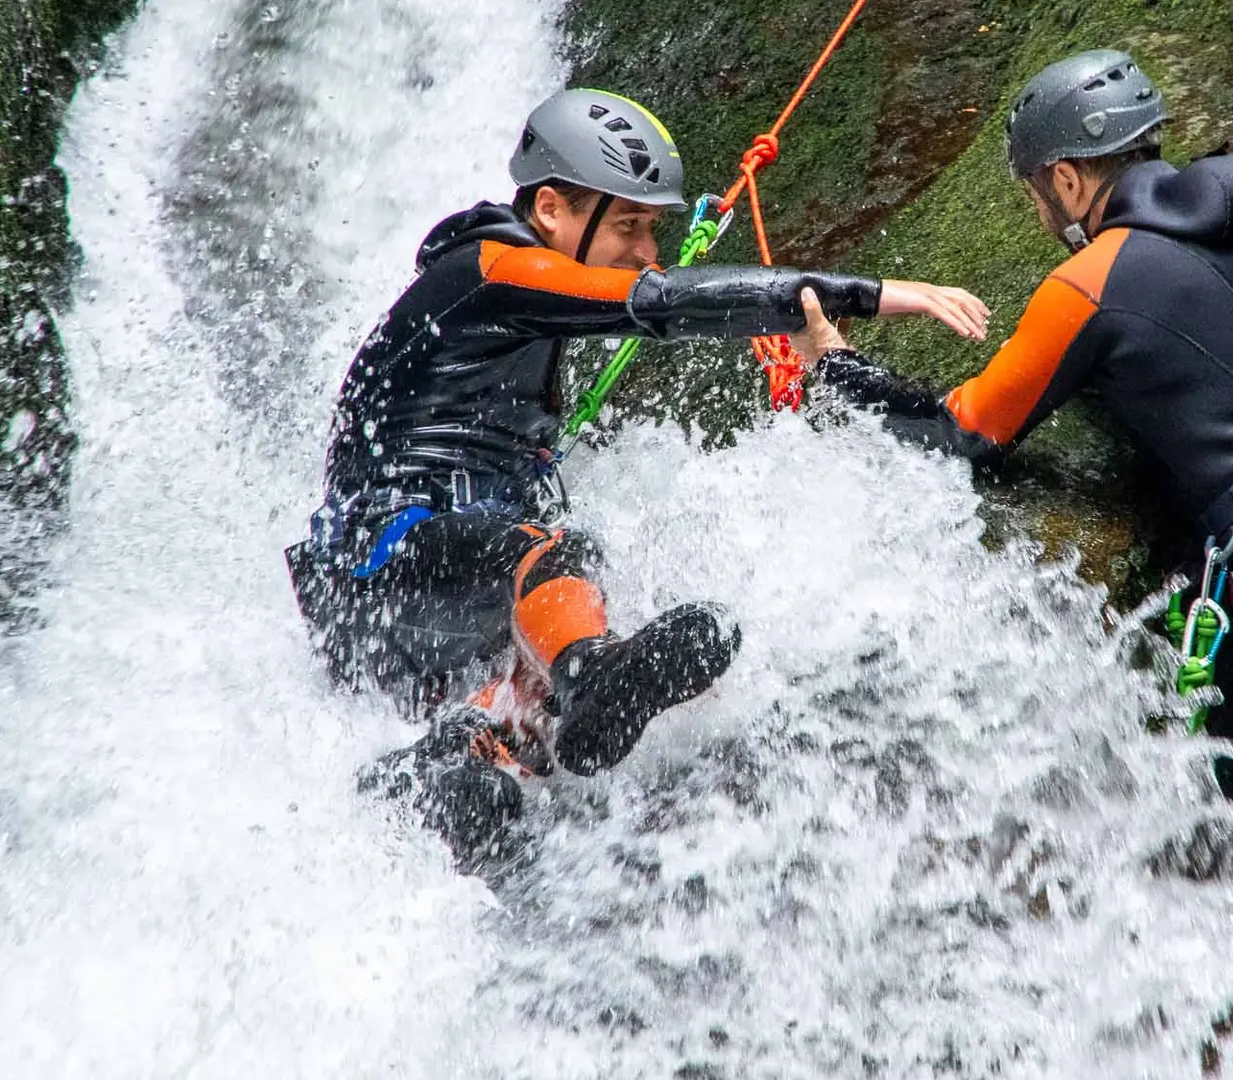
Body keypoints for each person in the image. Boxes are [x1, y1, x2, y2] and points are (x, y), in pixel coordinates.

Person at [790, 51, 1233, 1080]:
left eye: (1034, 190)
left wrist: (836, 369)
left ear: (1067, 179)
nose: (1037, 210)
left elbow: (965, 436)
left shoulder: (1089, 282)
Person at [284, 88, 989, 875]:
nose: (648, 250)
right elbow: (656, 304)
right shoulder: (489, 270)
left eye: (651, 228)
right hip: (375, 565)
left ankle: (458, 763)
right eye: (630, 226)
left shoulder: (518, 307)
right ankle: (589, 674)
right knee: (535, 551)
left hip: (427, 612)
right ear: (551, 209)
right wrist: (865, 294)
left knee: (565, 560)